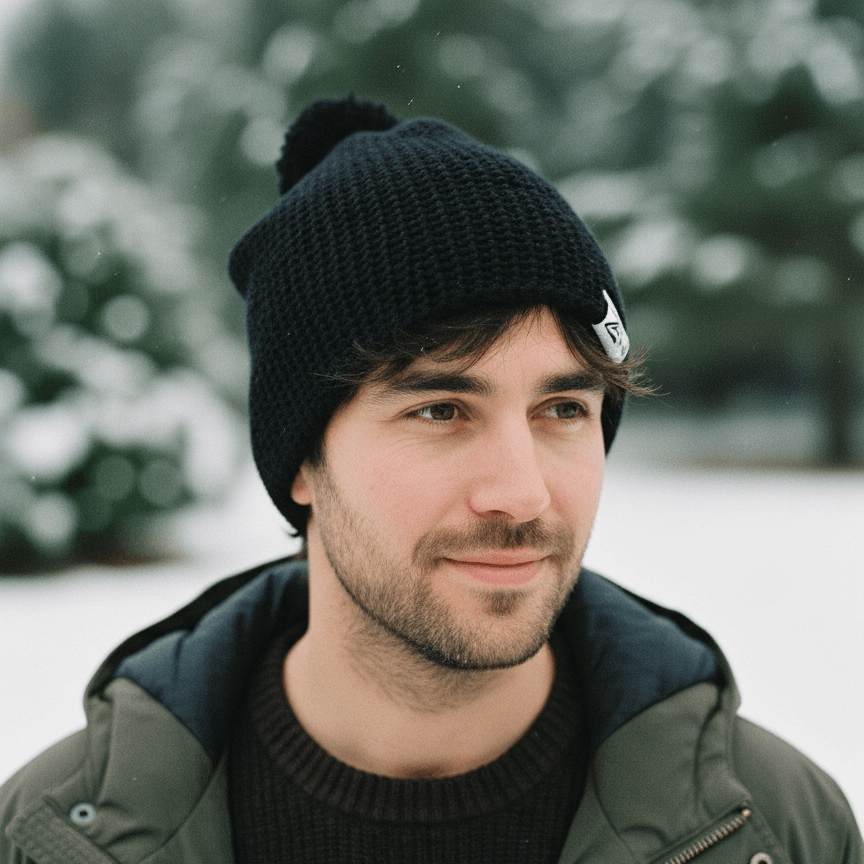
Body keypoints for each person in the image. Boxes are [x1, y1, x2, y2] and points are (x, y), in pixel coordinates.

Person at [1, 95, 860, 864]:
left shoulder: (781, 832)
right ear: (301, 458)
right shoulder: (51, 838)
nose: (522, 494)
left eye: (563, 409)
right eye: (442, 410)